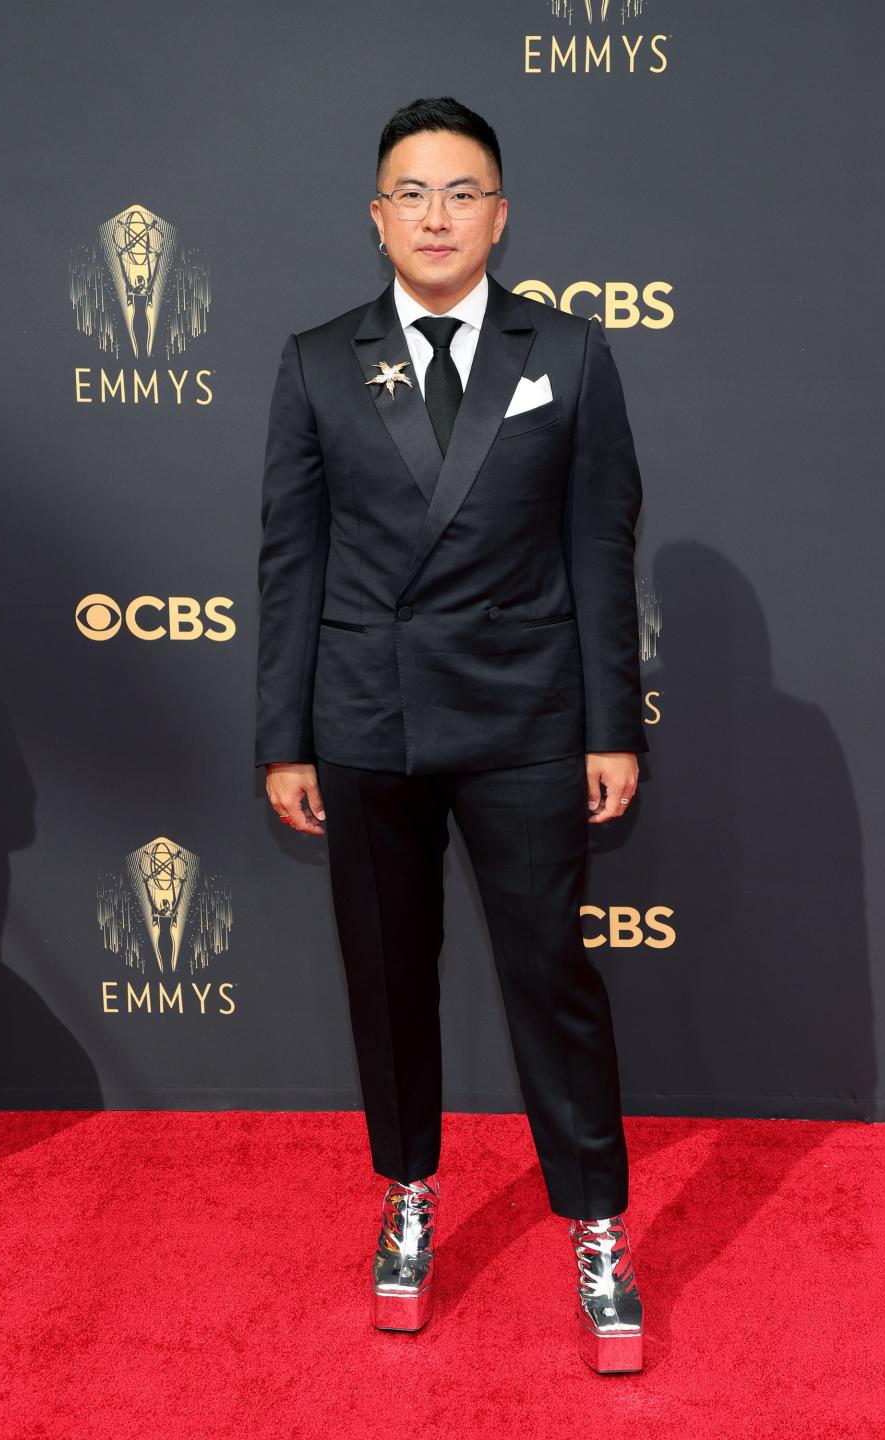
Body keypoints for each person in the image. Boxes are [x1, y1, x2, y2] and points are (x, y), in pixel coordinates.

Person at [255, 96, 649, 1374]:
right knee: (389, 974)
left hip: (530, 719)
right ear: (378, 219)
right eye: (412, 194)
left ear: (501, 213)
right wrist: (285, 737)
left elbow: (601, 550)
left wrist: (610, 724)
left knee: (553, 981)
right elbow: (291, 565)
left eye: (461, 191)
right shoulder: (317, 360)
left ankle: (596, 1222)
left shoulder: (573, 354)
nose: (437, 215)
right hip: (367, 721)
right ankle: (409, 1193)